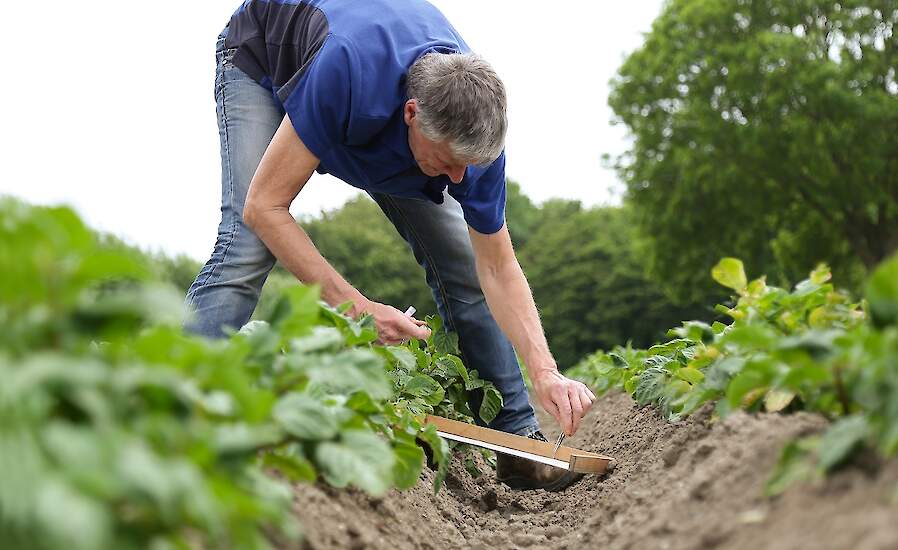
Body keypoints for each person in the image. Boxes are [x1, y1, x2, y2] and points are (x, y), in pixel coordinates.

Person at [184, 0, 594, 491]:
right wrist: (356, 307)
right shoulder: (347, 68)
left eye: (469, 165)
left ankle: (517, 441)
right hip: (265, 57)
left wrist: (545, 370)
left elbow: (498, 268)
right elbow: (264, 208)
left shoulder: (471, 141)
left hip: (376, 109)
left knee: (462, 265)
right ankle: (176, 406)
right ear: (412, 115)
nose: (460, 179)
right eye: (448, 162)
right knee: (246, 245)